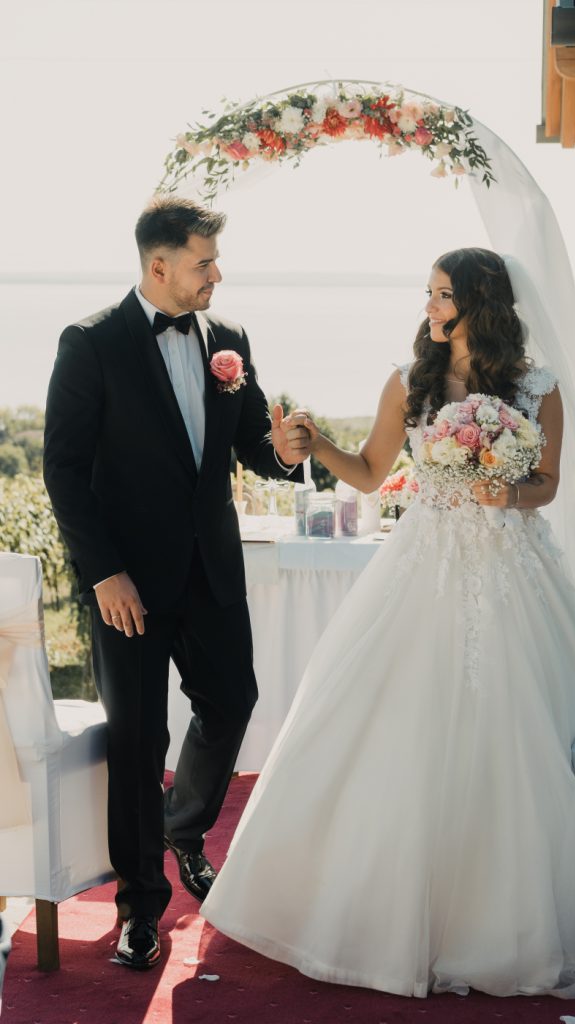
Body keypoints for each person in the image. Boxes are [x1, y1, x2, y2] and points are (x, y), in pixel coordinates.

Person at [201, 248, 575, 1000]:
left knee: (518, 728)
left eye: (443, 295)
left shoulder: (538, 387)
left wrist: (507, 495)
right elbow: (371, 473)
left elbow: (548, 482)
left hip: (512, 568)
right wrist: (314, 444)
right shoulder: (410, 382)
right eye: (429, 293)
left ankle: (504, 918)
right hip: (424, 562)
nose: (430, 307)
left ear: (479, 304)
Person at [43, 196, 310, 970]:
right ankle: (140, 907)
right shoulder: (91, 343)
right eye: (204, 262)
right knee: (138, 739)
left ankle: (182, 827)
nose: (216, 275)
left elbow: (253, 444)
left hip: (210, 568)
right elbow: (63, 469)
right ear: (159, 266)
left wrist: (285, 450)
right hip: (126, 582)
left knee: (233, 701)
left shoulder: (230, 340)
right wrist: (104, 573)